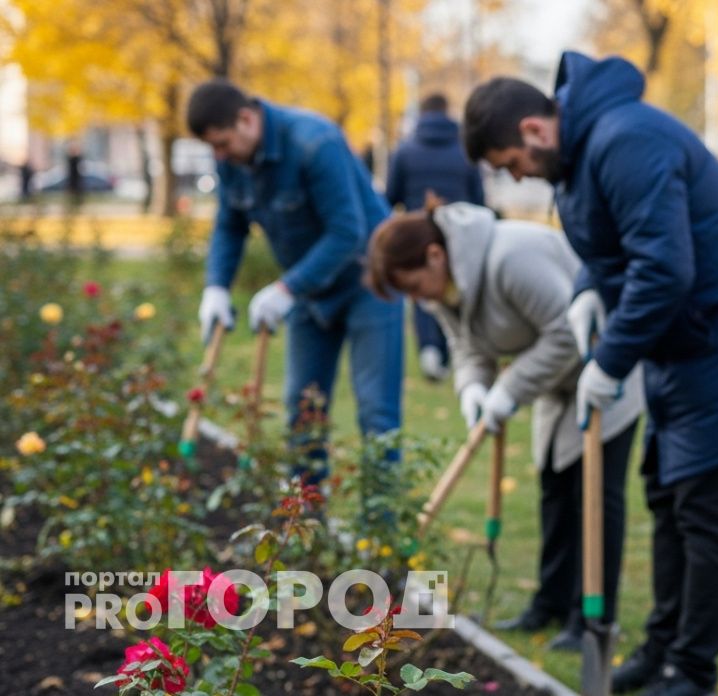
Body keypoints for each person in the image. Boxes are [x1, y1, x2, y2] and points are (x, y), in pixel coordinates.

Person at [463, 53, 718, 696]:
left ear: (532, 131)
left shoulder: (624, 138)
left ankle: (690, 670)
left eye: (512, 165)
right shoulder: (582, 153)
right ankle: (661, 648)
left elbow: (664, 269)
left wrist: (609, 361)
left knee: (703, 512)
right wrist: (587, 290)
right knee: (666, 495)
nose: (519, 178)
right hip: (683, 344)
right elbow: (609, 246)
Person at [366, 200, 644, 651]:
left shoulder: (511, 259)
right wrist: (474, 387)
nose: (419, 299)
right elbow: (468, 346)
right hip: (555, 384)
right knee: (555, 488)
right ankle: (549, 603)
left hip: (606, 371)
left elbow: (564, 332)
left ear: (434, 255)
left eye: (415, 286)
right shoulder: (444, 286)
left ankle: (590, 617)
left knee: (594, 496)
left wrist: (511, 388)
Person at [187, 79, 404, 523]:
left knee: (376, 415)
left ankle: (383, 544)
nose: (221, 156)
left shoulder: (314, 142)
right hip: (309, 293)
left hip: (368, 282)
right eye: (214, 148)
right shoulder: (232, 160)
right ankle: (304, 529)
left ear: (247, 119)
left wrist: (286, 289)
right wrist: (216, 287)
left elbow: (348, 231)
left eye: (224, 143)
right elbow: (230, 224)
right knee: (302, 415)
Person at [386, 93, 487, 383]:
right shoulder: (464, 150)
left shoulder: (405, 151)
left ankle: (431, 349)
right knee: (454, 290)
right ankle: (456, 353)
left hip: (418, 234)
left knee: (423, 289)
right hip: (461, 233)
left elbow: (391, 196)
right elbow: (478, 197)